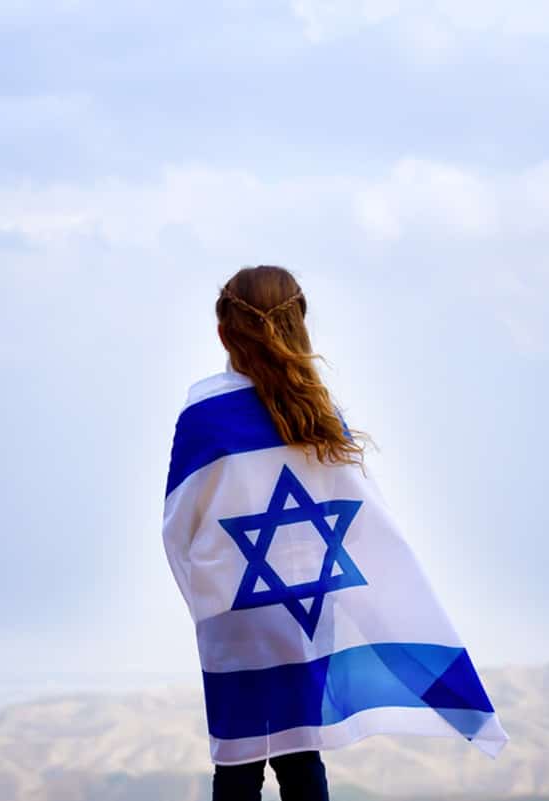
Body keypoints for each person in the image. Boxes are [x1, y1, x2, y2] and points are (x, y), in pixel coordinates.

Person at [162, 265, 508, 801]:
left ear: (223, 332)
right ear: (300, 323)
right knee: (302, 755)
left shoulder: (204, 414)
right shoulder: (317, 411)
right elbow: (361, 516)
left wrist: (205, 601)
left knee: (238, 760)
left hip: (236, 610)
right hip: (307, 605)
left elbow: (178, 527)